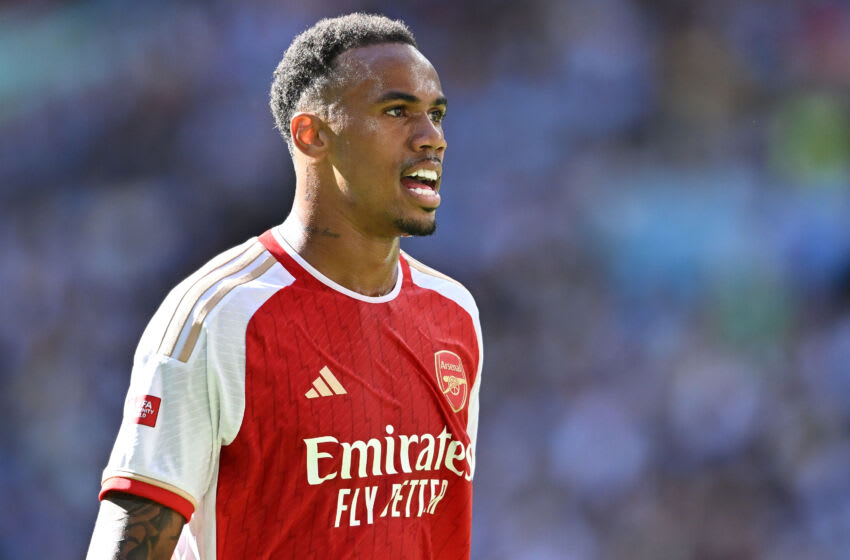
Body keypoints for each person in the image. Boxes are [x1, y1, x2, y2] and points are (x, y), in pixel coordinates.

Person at [86, 13, 483, 560]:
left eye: (436, 115)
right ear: (311, 135)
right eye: (397, 111)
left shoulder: (454, 313)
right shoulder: (219, 315)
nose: (432, 138)